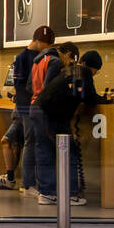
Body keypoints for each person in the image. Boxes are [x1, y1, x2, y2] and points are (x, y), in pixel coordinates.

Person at [0, 24, 54, 191]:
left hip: (29, 106)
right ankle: (28, 184)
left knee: (30, 142)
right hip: (26, 107)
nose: (47, 50)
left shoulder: (39, 57)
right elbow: (20, 86)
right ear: (39, 41)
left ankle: (28, 183)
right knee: (30, 142)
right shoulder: (22, 58)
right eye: (47, 46)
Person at [30, 40, 79, 205]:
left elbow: (30, 85)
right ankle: (66, 192)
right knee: (59, 150)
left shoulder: (39, 59)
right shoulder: (56, 61)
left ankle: (45, 192)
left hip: (34, 106)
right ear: (68, 55)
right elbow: (50, 88)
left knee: (42, 150)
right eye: (72, 60)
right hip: (47, 110)